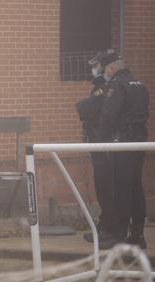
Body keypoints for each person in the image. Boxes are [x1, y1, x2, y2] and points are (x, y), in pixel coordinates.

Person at [96, 49, 149, 249]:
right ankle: (137, 234)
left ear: (111, 68)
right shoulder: (139, 84)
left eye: (104, 69)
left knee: (121, 187)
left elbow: (108, 117)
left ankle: (119, 234)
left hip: (123, 141)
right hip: (140, 140)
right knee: (135, 186)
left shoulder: (117, 86)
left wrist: (101, 142)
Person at [76, 51, 120, 246]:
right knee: (102, 185)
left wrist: (82, 107)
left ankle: (110, 228)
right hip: (98, 143)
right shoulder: (103, 86)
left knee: (106, 185)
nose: (93, 70)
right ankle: (105, 225)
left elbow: (86, 108)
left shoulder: (107, 87)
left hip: (105, 144)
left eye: (96, 66)